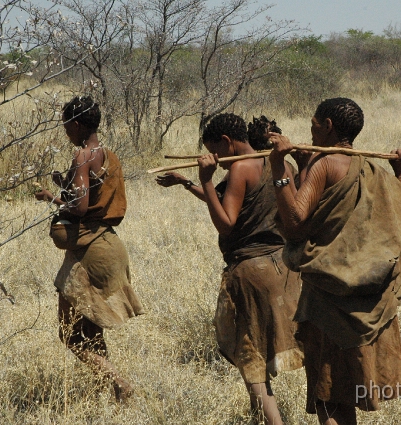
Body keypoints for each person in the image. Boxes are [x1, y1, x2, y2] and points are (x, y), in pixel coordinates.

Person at [268, 97, 401, 425]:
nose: (309, 129)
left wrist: (280, 169)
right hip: (366, 302)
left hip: (328, 305)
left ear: (327, 126)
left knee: (329, 401)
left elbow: (295, 221)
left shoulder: (324, 164)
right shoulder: (371, 169)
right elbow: (388, 225)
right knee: (345, 395)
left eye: (314, 123)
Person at [156, 113, 303, 425]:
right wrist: (189, 183)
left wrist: (207, 179)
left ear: (225, 141)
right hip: (284, 269)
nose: (216, 159)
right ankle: (257, 415)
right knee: (265, 349)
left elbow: (225, 222)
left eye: (215, 150)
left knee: (251, 356)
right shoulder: (280, 164)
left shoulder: (239, 168)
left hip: (251, 273)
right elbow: (228, 202)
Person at [34, 96, 145, 403]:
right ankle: (108, 396)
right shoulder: (108, 154)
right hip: (109, 245)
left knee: (69, 333)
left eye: (66, 125)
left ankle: (120, 383)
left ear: (78, 124)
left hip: (90, 253)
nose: (65, 131)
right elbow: (94, 196)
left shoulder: (83, 155)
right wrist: (66, 183)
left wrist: (51, 198)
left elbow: (80, 207)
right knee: (90, 330)